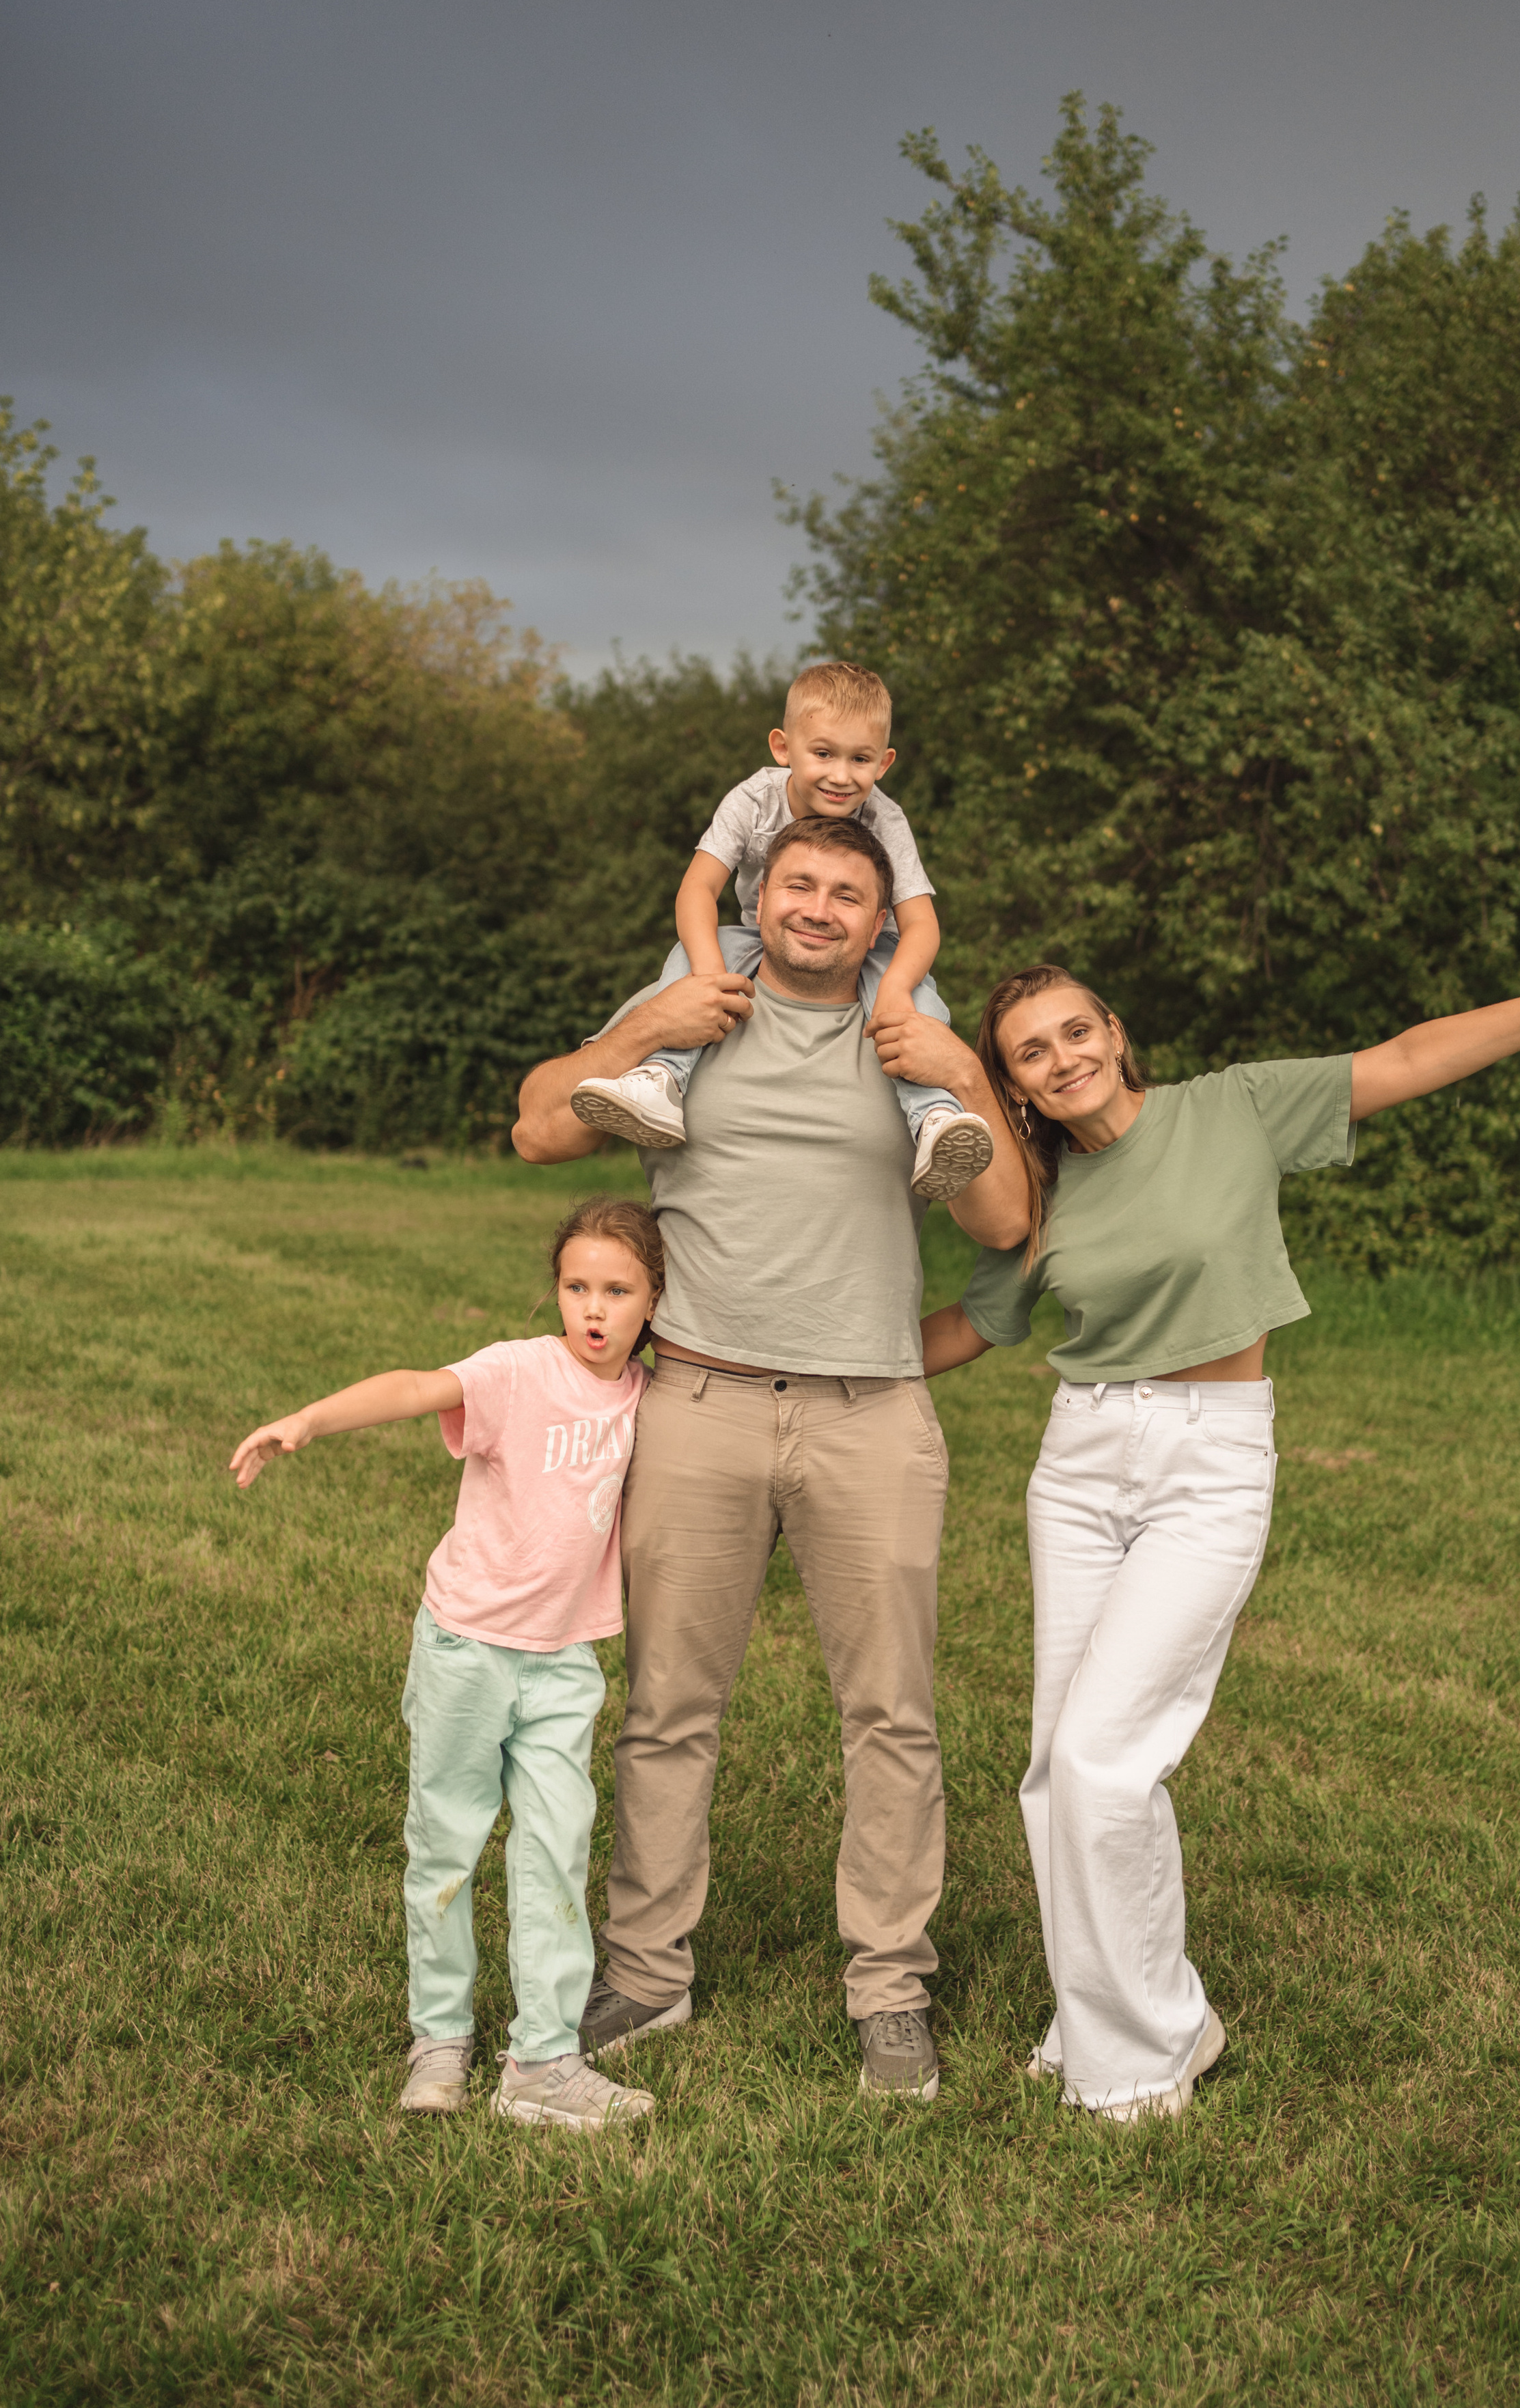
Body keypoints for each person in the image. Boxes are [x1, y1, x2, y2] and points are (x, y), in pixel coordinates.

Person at [920, 914, 1520, 2124]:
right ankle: (1120, 2011)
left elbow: (1415, 1054)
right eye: (1029, 1053)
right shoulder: (1039, 1190)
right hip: (1080, 1465)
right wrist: (788, 1371)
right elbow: (972, 1328)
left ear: (1117, 1034)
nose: (1062, 1058)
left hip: (1210, 1459)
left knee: (1108, 1760)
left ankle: (1144, 2062)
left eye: (1075, 1031)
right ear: (1011, 1087)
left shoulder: (1234, 1109)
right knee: (1060, 1772)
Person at [512, 815, 1030, 2099]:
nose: (818, 908)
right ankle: (645, 1969)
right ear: (761, 892)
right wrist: (645, 1034)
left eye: (848, 894)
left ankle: (891, 1986)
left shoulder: (912, 1021)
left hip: (871, 1413)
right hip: (699, 1399)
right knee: (669, 1706)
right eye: (797, 883)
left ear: (881, 918)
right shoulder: (698, 995)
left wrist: (961, 1076)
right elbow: (538, 1130)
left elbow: (1009, 1218)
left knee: (893, 1714)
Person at [227, 1196, 667, 2133]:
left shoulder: (646, 1395)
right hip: (466, 1647)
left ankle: (543, 2061)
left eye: (618, 1290)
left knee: (557, 1848)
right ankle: (438, 2043)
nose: (593, 1308)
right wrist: (311, 1418)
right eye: (576, 1286)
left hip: (562, 1663)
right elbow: (417, 1386)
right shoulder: (520, 1372)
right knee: (448, 1844)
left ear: (654, 1302)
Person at [570, 658, 997, 1203]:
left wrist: (892, 992)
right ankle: (660, 1080)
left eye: (860, 759)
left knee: (918, 996)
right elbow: (697, 890)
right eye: (823, 754)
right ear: (783, 747)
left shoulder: (885, 819)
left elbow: (922, 926)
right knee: (693, 953)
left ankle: (934, 1116)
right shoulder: (752, 801)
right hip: (766, 934)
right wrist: (706, 976)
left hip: (865, 943)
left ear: (884, 763)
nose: (841, 775)